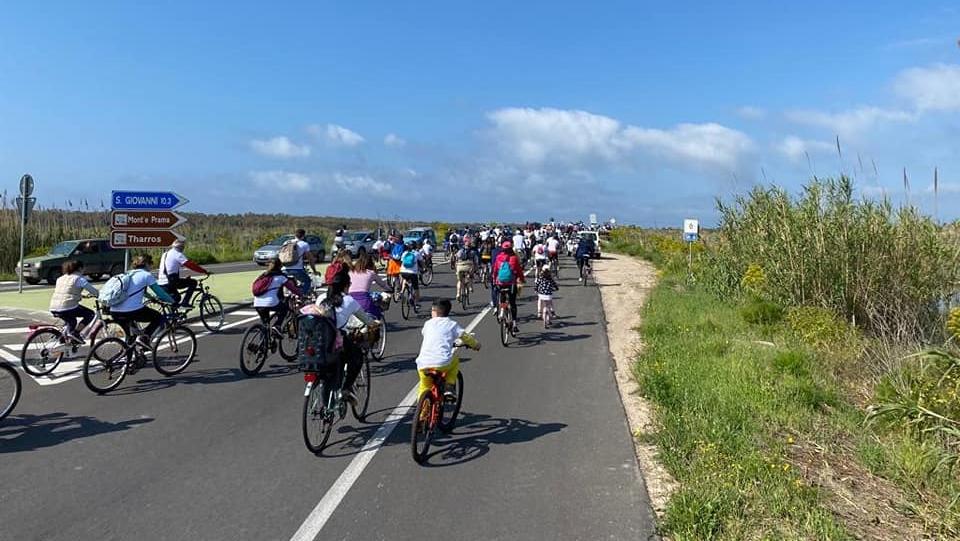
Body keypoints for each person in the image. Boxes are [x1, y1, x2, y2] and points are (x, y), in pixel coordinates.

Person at [316, 269, 379, 402]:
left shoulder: (321, 298)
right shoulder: (349, 300)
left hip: (319, 339)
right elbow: (367, 321)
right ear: (345, 286)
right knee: (357, 358)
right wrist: (375, 323)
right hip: (336, 341)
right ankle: (346, 388)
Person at [415, 299, 480, 401]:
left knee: (424, 387)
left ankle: (421, 412)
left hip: (423, 364)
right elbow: (464, 336)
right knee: (455, 360)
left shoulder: (427, 324)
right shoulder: (452, 324)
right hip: (442, 363)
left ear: (435, 311)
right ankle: (449, 386)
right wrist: (475, 345)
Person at [110, 255, 176, 346]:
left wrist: (151, 298)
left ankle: (131, 357)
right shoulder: (147, 275)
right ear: (147, 264)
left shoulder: (128, 273)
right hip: (131, 311)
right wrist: (172, 301)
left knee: (130, 337)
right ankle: (144, 338)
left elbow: (139, 291)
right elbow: (160, 293)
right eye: (151, 264)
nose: (151, 267)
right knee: (158, 317)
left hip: (114, 310)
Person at [49, 260, 100, 342]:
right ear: (80, 268)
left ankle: (64, 338)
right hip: (67, 307)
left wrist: (80, 295)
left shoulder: (60, 278)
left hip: (53, 306)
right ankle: (75, 333)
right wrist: (100, 295)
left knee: (69, 320)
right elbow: (94, 291)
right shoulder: (79, 279)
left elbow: (66, 292)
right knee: (90, 314)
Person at [253, 258, 302, 332]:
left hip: (257, 303)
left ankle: (263, 342)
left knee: (265, 325)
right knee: (284, 309)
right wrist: (301, 294)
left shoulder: (263, 275)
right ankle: (277, 325)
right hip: (271, 302)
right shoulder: (281, 277)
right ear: (280, 267)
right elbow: (292, 289)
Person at [158, 239, 210, 308]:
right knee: (193, 282)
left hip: (162, 282)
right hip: (170, 281)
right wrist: (204, 271)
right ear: (181, 247)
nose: (183, 249)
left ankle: (173, 316)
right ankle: (185, 303)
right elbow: (190, 265)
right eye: (183, 247)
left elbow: (171, 267)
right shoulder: (177, 254)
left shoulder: (165, 254)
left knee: (177, 298)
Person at [492, 241, 525, 332]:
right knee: (512, 302)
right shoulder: (514, 258)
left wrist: (494, 279)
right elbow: (519, 271)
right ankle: (514, 323)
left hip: (501, 282)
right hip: (511, 283)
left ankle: (502, 310)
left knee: (502, 297)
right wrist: (522, 279)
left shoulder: (498, 257)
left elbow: (495, 270)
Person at [348, 251, 390, 320]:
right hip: (364, 300)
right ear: (370, 263)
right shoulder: (371, 273)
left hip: (350, 300)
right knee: (377, 313)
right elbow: (383, 285)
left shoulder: (351, 272)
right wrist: (390, 289)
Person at [282, 229, 318, 295]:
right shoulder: (304, 244)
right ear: (303, 236)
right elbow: (310, 259)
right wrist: (314, 270)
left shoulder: (286, 242)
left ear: (295, 235)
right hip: (297, 269)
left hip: (284, 269)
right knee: (307, 281)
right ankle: (301, 295)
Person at [399, 241, 423, 311]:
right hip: (413, 273)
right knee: (416, 288)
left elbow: (401, 262)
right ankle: (417, 303)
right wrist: (424, 268)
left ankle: (401, 292)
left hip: (403, 272)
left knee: (405, 279)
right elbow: (421, 262)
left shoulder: (404, 253)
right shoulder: (417, 253)